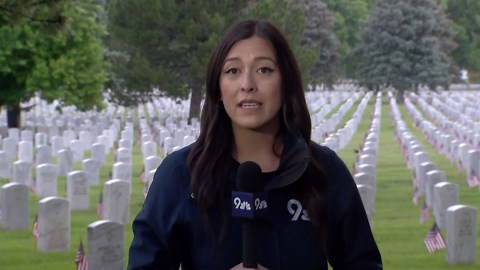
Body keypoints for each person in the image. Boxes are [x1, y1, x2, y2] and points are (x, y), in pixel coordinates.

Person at [128, 19, 382, 270]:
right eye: (233, 71)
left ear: (286, 82)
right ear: (218, 87)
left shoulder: (324, 171)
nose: (247, 84)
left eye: (264, 70)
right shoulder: (180, 175)